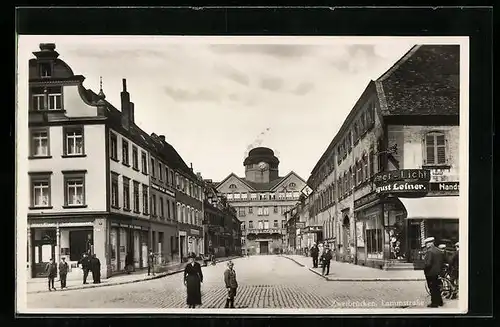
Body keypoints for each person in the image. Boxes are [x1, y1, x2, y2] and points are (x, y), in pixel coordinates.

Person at [423, 237, 444, 307]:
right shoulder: (438, 250)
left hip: (430, 273)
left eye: (426, 243)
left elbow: (428, 263)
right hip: (438, 272)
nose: (426, 245)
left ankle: (434, 303)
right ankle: (440, 301)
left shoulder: (429, 251)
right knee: (437, 287)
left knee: (432, 288)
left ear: (430, 243)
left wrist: (424, 267)